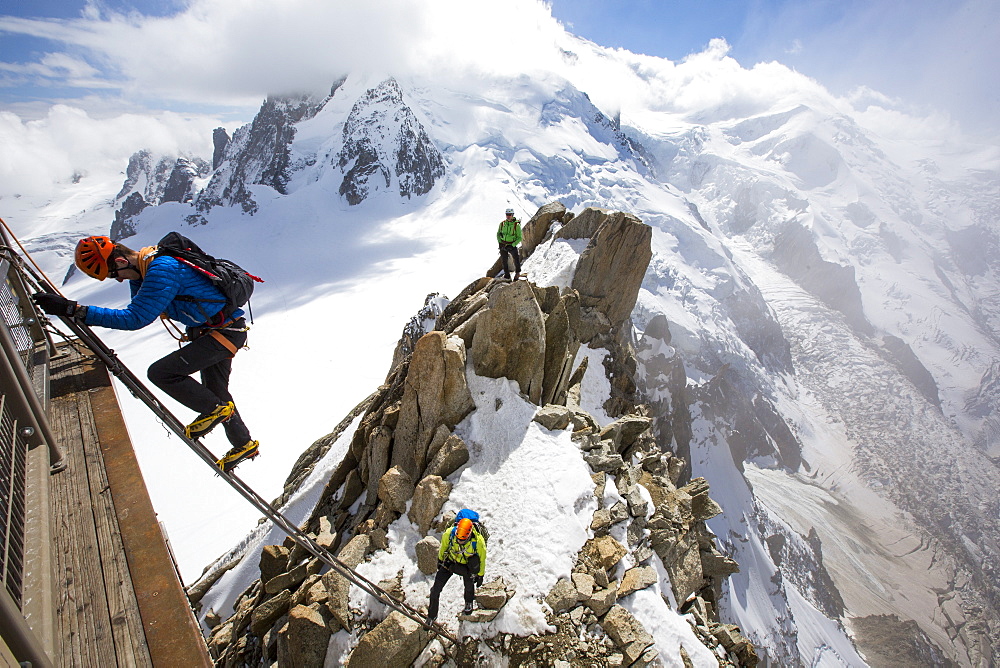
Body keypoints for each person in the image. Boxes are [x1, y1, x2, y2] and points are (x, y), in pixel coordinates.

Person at [32, 235, 260, 473]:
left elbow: (135, 319)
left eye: (114, 274)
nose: (119, 280)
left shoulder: (161, 269)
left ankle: (213, 410)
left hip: (221, 333)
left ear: (120, 262)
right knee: (216, 391)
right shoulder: (143, 270)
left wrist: (74, 310)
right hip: (217, 331)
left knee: (162, 373)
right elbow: (137, 310)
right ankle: (243, 444)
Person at [427, 516, 487, 621]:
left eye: (462, 540)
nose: (460, 541)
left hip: (467, 566)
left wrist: (480, 575)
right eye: (458, 539)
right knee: (435, 590)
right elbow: (443, 547)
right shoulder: (449, 533)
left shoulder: (478, 541)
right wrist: (440, 561)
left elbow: (482, 559)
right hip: (451, 562)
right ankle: (432, 615)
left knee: (469, 586)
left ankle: (468, 602)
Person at [496, 207, 522, 280]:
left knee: (516, 258)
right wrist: (500, 242)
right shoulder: (502, 224)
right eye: (507, 214)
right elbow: (498, 234)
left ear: (513, 215)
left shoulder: (516, 225)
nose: (508, 216)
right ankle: (507, 275)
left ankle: (517, 273)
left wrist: (512, 245)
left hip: (511, 244)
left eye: (510, 214)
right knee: (504, 260)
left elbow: (519, 237)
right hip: (503, 244)